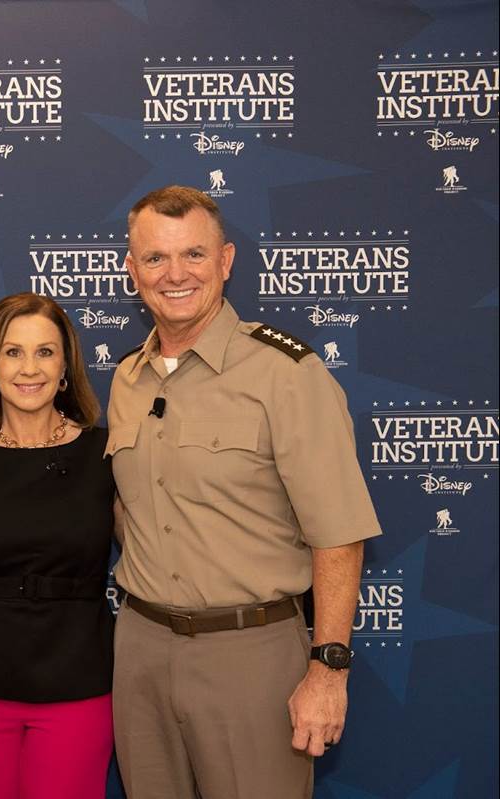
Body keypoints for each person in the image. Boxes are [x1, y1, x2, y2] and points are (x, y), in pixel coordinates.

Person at [107, 185, 382, 798]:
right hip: (141, 650)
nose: (175, 274)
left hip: (250, 654)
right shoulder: (127, 378)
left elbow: (338, 535)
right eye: (154, 258)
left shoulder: (287, 374)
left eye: (194, 256)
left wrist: (328, 670)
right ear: (132, 270)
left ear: (226, 261)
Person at [0, 293, 116, 799]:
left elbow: (152, 558)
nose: (29, 368)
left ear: (66, 368)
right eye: (12, 352)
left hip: (80, 689)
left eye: (45, 352)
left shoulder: (105, 455)